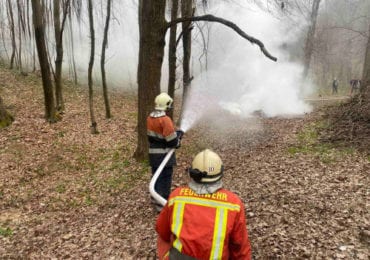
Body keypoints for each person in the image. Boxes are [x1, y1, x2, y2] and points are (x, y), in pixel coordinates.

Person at [156, 149, 252, 260]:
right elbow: (240, 248)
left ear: (191, 173)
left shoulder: (176, 196)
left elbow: (162, 231)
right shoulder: (233, 204)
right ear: (220, 173)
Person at [147, 92, 183, 212]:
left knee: (156, 177)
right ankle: (162, 206)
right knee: (164, 179)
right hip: (164, 155)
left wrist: (175, 134)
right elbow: (172, 141)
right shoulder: (165, 119)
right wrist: (178, 140)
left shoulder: (150, 118)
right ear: (166, 104)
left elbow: (157, 136)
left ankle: (155, 200)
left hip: (153, 155)